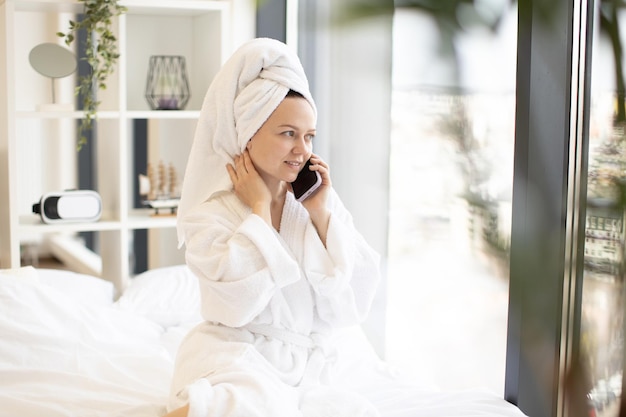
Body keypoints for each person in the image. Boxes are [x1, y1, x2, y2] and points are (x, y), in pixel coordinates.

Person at [166, 37, 381, 417]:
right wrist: (260, 211)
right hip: (234, 356)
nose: (302, 149)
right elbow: (235, 306)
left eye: (309, 135)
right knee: (239, 404)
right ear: (247, 134)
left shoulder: (317, 202)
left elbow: (350, 305)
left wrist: (320, 215)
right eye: (287, 133)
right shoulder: (210, 212)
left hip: (309, 367)